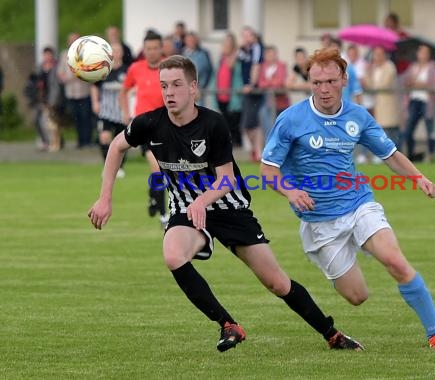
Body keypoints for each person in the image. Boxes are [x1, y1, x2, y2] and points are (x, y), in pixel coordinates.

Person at [88, 54, 363, 352]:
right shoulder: (150, 123)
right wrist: (105, 198)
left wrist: (202, 201)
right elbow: (116, 147)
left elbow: (226, 179)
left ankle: (332, 334)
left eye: (177, 85)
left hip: (230, 209)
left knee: (277, 283)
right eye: (164, 86)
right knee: (173, 255)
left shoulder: (213, 123)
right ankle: (228, 324)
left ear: (193, 87)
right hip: (187, 209)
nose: (169, 92)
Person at [260, 48, 435, 349]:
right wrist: (290, 191)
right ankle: (340, 257)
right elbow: (267, 169)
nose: (324, 89)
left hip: (358, 204)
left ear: (344, 79)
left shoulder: (357, 117)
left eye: (330, 81)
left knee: (396, 261)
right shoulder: (291, 119)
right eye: (316, 83)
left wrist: (418, 177)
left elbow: (390, 155)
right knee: (357, 297)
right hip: (319, 220)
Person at [119, 31, 168, 228]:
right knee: (158, 168)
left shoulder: (169, 67)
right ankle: (165, 215)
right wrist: (125, 113)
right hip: (144, 126)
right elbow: (124, 91)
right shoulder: (135, 68)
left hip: (166, 125)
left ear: (161, 48)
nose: (152, 52)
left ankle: (153, 196)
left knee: (163, 170)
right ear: (144, 49)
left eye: (156, 48)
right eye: (148, 48)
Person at [91, 43, 128, 178]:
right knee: (104, 137)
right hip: (106, 111)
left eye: (118, 51)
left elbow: (133, 88)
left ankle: (120, 168)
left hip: (121, 112)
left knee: (122, 142)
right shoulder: (104, 70)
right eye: (113, 51)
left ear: (122, 53)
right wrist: (95, 102)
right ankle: (107, 167)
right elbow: (95, 87)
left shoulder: (127, 70)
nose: (116, 53)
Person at [402, 44, 435, 162]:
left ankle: (431, 154)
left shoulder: (432, 67)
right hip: (414, 101)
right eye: (421, 52)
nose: (423, 55)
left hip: (426, 102)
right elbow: (406, 81)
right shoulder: (413, 67)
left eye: (425, 53)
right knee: (409, 129)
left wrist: (421, 84)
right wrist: (413, 81)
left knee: (430, 130)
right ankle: (411, 154)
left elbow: (434, 84)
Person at [57, 32, 93, 149]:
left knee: (86, 117)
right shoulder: (64, 54)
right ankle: (79, 140)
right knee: (76, 118)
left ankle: (87, 140)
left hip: (84, 92)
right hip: (71, 93)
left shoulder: (86, 54)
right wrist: (66, 78)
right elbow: (60, 71)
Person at [364, 45, 400, 150]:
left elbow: (385, 83)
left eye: (379, 54)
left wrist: (375, 86)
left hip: (388, 102)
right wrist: (368, 73)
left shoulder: (390, 66)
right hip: (378, 103)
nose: (377, 57)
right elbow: (369, 85)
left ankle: (394, 153)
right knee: (380, 129)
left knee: (390, 129)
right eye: (375, 54)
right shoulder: (374, 68)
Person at [238, 26, 264, 162]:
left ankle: (258, 152)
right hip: (247, 90)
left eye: (248, 35)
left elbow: (256, 66)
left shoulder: (257, 47)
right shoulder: (244, 50)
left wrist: (251, 84)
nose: (246, 38)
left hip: (255, 90)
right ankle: (256, 150)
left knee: (251, 123)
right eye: (244, 36)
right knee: (248, 124)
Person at [213, 32, 243, 148]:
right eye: (225, 43)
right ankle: (228, 147)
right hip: (220, 95)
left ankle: (238, 147)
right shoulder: (221, 59)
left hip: (232, 97)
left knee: (234, 124)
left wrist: (235, 52)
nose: (226, 45)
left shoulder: (236, 58)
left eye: (229, 43)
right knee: (224, 124)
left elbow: (231, 66)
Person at [258, 45, 290, 138]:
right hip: (268, 103)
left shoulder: (281, 65)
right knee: (268, 127)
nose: (271, 56)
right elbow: (260, 83)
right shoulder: (263, 66)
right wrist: (272, 81)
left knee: (282, 128)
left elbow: (280, 82)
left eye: (272, 54)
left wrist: (268, 82)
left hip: (281, 103)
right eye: (268, 54)